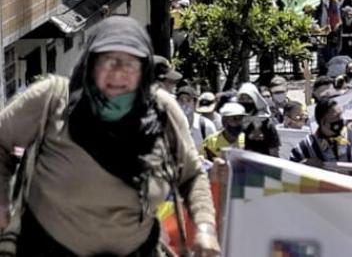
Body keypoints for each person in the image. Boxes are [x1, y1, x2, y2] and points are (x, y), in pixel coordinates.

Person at [0, 16, 219, 256]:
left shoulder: (162, 112)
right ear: (90, 65)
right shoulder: (52, 100)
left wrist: (205, 227)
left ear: (144, 72)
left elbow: (192, 174)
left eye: (130, 64)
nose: (118, 73)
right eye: (108, 61)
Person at [290, 96, 352, 167]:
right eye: (336, 117)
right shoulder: (307, 145)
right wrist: (304, 164)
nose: (341, 120)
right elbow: (290, 167)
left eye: (341, 115)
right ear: (323, 123)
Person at [175, 83, 216, 150]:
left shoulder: (207, 126)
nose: (184, 104)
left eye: (188, 100)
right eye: (181, 100)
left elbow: (215, 153)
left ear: (195, 103)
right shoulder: (170, 125)